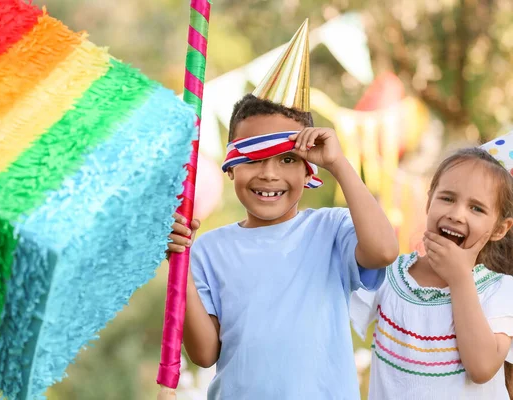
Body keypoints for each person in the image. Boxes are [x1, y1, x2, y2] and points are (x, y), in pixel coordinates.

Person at [166, 19, 399, 399]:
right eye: (254, 159)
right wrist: (179, 262)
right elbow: (205, 353)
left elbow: (385, 251)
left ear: (310, 171)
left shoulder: (332, 229)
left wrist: (339, 164)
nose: (270, 174)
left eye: (288, 160)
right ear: (231, 168)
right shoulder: (206, 249)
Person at [350, 136, 513, 399]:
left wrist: (460, 277)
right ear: (429, 202)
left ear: (500, 229)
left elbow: (481, 368)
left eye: (476, 208)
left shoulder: (500, 290)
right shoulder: (390, 274)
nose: (457, 214)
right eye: (447, 198)